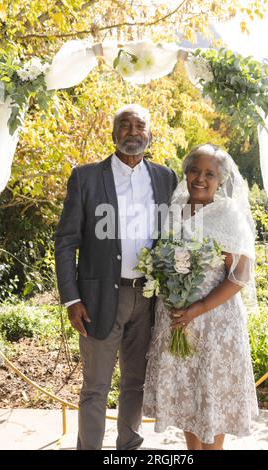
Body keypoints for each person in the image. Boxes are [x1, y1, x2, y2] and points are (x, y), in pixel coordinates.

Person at [54, 104, 178, 450]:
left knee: (135, 383)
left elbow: (175, 235)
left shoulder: (165, 178)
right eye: (125, 125)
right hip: (98, 300)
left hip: (149, 298)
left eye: (140, 126)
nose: (133, 131)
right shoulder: (86, 177)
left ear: (149, 135)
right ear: (114, 133)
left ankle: (129, 447)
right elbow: (65, 242)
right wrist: (72, 298)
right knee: (95, 386)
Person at [143, 143, 258, 450]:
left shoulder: (228, 214)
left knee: (210, 401)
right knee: (187, 401)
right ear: (186, 172)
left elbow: (239, 276)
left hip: (215, 323)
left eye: (210, 173)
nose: (200, 178)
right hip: (177, 320)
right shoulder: (172, 210)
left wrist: (199, 307)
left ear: (220, 179)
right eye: (195, 170)